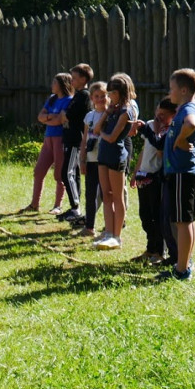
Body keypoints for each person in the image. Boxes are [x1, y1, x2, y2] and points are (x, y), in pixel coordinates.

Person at [160, 68, 195, 281]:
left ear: (184, 90)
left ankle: (181, 270)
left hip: (182, 171)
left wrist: (180, 139)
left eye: (172, 89)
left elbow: (193, 124)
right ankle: (185, 263)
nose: (170, 93)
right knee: (188, 220)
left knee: (182, 222)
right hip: (187, 171)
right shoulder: (193, 106)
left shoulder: (188, 107)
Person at [92, 74, 137, 250]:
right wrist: (106, 113)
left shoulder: (127, 112)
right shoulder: (113, 109)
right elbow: (96, 128)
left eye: (111, 93)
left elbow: (111, 137)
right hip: (103, 155)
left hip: (116, 155)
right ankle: (108, 233)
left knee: (117, 196)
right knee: (106, 195)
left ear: (119, 92)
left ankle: (117, 236)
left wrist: (101, 134)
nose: (108, 96)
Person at [131, 98, 177, 264]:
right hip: (143, 176)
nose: (159, 118)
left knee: (157, 216)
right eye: (158, 113)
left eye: (164, 115)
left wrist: (157, 132)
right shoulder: (150, 125)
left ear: (173, 115)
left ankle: (159, 251)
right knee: (145, 215)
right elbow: (145, 149)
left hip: (156, 178)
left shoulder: (170, 131)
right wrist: (136, 171)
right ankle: (150, 248)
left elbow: (159, 152)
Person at [22, 73, 72, 212]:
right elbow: (40, 117)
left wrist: (49, 118)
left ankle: (57, 206)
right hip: (48, 138)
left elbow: (59, 121)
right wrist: (50, 116)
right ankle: (34, 204)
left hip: (60, 139)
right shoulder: (51, 99)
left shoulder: (69, 100)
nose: (52, 85)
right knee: (39, 171)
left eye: (54, 83)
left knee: (59, 174)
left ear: (62, 85)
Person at [58, 64, 93, 221]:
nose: (71, 81)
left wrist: (65, 115)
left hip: (75, 140)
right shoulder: (77, 95)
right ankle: (74, 207)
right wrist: (64, 116)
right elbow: (63, 116)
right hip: (69, 138)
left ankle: (76, 207)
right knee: (73, 173)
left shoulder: (84, 96)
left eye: (74, 78)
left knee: (67, 173)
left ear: (83, 79)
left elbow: (68, 116)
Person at [78, 81, 108, 237]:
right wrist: (82, 159)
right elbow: (84, 139)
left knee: (105, 194)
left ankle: (109, 227)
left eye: (103, 96)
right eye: (97, 96)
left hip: (105, 159)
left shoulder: (109, 115)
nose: (101, 99)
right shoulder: (89, 116)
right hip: (91, 159)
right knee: (90, 193)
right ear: (92, 98)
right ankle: (89, 227)